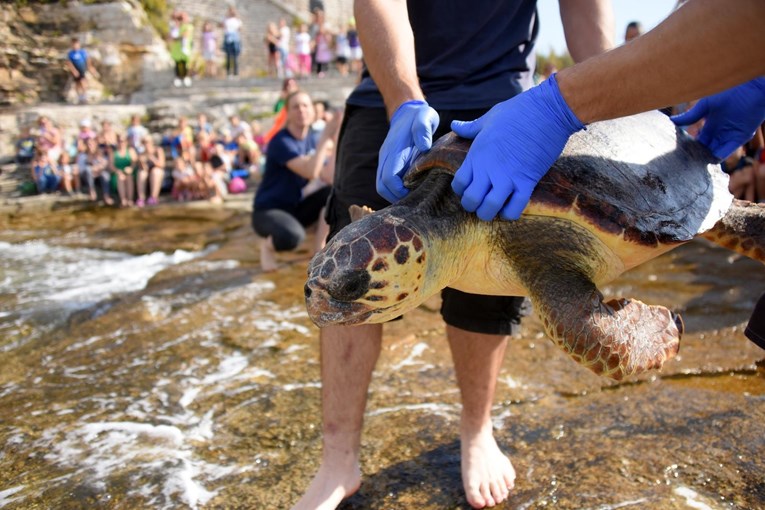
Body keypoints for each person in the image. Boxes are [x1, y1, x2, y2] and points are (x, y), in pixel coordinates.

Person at [291, 1, 615, 509]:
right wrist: (403, 100)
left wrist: (612, 103)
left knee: (492, 264)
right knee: (348, 268)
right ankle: (337, 457)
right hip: (388, 83)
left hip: (498, 98)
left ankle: (477, 429)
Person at [375, 0, 765, 390]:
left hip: (636, 168)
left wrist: (573, 103)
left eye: (354, 289)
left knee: (598, 337)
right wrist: (754, 81)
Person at [252, 91, 340, 272]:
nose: (301, 110)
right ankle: (267, 246)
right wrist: (325, 137)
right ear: (288, 113)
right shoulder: (281, 141)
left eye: (305, 105)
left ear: (313, 111)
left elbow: (328, 176)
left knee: (332, 193)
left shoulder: (310, 140)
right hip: (268, 211)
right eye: (296, 106)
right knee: (292, 237)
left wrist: (336, 136)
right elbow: (310, 172)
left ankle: (319, 251)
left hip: (294, 207)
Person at [66, 37, 97, 104]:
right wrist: (73, 70)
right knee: (77, 83)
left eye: (76, 44)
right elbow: (69, 63)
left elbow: (88, 60)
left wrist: (90, 67)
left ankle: (84, 95)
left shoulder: (82, 52)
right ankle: (79, 96)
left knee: (83, 81)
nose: (75, 46)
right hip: (75, 70)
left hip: (82, 69)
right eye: (73, 44)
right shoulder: (71, 53)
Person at [136, 136, 165, 207]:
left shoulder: (158, 150)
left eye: (148, 142)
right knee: (141, 173)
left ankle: (153, 197)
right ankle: (141, 198)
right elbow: (144, 169)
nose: (146, 144)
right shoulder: (142, 153)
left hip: (157, 172)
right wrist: (142, 162)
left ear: (152, 142)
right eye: (144, 142)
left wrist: (152, 158)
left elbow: (162, 164)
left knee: (155, 172)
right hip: (147, 173)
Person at [110, 135, 138, 207]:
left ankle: (130, 199)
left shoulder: (131, 150)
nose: (121, 143)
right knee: (120, 177)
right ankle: (123, 200)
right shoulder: (113, 153)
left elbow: (134, 162)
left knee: (129, 177)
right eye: (119, 141)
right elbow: (111, 166)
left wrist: (130, 168)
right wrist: (117, 171)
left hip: (130, 173)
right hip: (117, 174)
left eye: (122, 141)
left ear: (126, 142)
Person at [222, 6, 242, 79]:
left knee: (235, 57)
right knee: (228, 56)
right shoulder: (226, 19)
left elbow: (240, 28)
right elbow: (223, 26)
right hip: (228, 39)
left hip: (235, 39)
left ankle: (236, 73)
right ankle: (228, 73)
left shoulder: (237, 20)